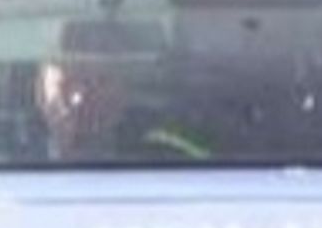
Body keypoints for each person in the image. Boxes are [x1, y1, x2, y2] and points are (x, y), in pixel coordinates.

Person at [33, 17, 207, 165]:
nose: (81, 97)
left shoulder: (166, 158)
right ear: (40, 92)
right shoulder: (10, 154)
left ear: (124, 91)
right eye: (70, 83)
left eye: (101, 81)